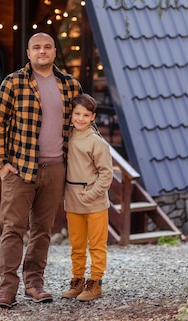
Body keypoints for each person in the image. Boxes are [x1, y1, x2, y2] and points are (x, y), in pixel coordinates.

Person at [0, 32, 82, 308]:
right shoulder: (14, 82)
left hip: (55, 169)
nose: (42, 52)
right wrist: (3, 164)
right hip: (20, 169)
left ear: (54, 51)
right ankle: (7, 290)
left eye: (47, 47)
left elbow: (83, 124)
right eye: (37, 48)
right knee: (13, 230)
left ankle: (34, 284)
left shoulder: (70, 85)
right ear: (28, 53)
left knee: (43, 230)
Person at [61, 93, 113, 302]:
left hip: (95, 203)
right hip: (72, 201)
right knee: (77, 245)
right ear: (71, 114)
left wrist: (92, 193)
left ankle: (95, 283)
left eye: (85, 115)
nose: (80, 118)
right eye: (77, 114)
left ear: (93, 117)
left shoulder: (97, 143)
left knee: (97, 246)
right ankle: (78, 281)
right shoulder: (67, 136)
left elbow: (107, 174)